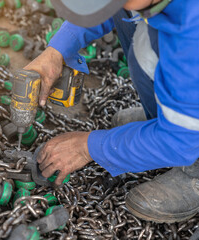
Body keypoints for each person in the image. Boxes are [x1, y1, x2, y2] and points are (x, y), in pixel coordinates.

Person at [25, 0, 199, 223]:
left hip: (186, 127)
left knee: (180, 137)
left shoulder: (192, 38)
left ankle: (191, 157)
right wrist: (57, 49)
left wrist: (87, 147)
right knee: (129, 15)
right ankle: (165, 116)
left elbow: (178, 141)